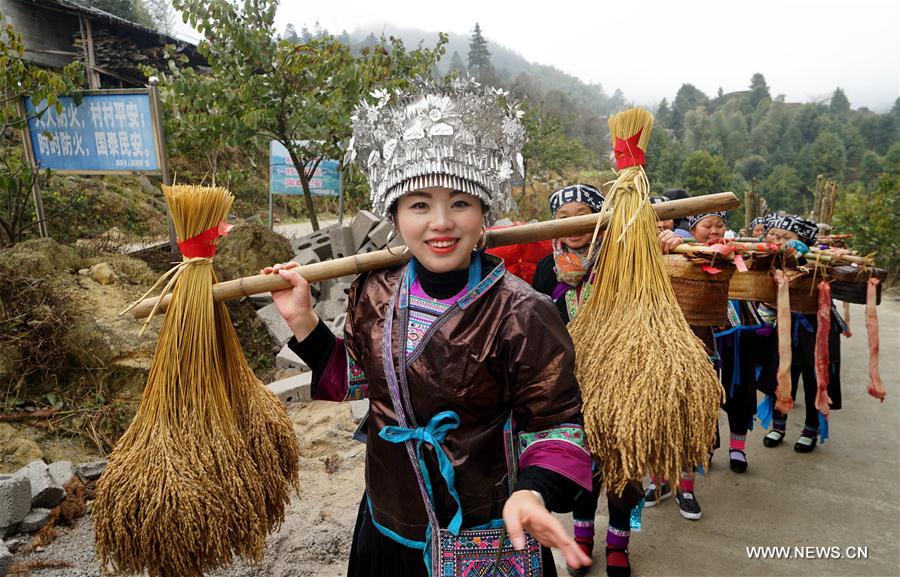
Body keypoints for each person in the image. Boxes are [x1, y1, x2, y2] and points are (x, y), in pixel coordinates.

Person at [264, 79, 592, 577]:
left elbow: (557, 424)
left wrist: (533, 491)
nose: (441, 222)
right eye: (419, 204)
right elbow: (358, 382)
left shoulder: (523, 312)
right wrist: (303, 319)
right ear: (396, 215)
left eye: (460, 203)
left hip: (488, 528)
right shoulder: (375, 291)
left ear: (483, 213)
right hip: (389, 520)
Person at [761, 214, 844, 453]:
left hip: (815, 330)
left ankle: (810, 429)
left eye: (786, 237)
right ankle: (778, 427)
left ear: (803, 240)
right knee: (781, 377)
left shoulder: (818, 260)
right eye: (774, 235)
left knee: (813, 381)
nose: (779, 240)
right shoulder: (768, 260)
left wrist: (803, 257)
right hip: (783, 329)